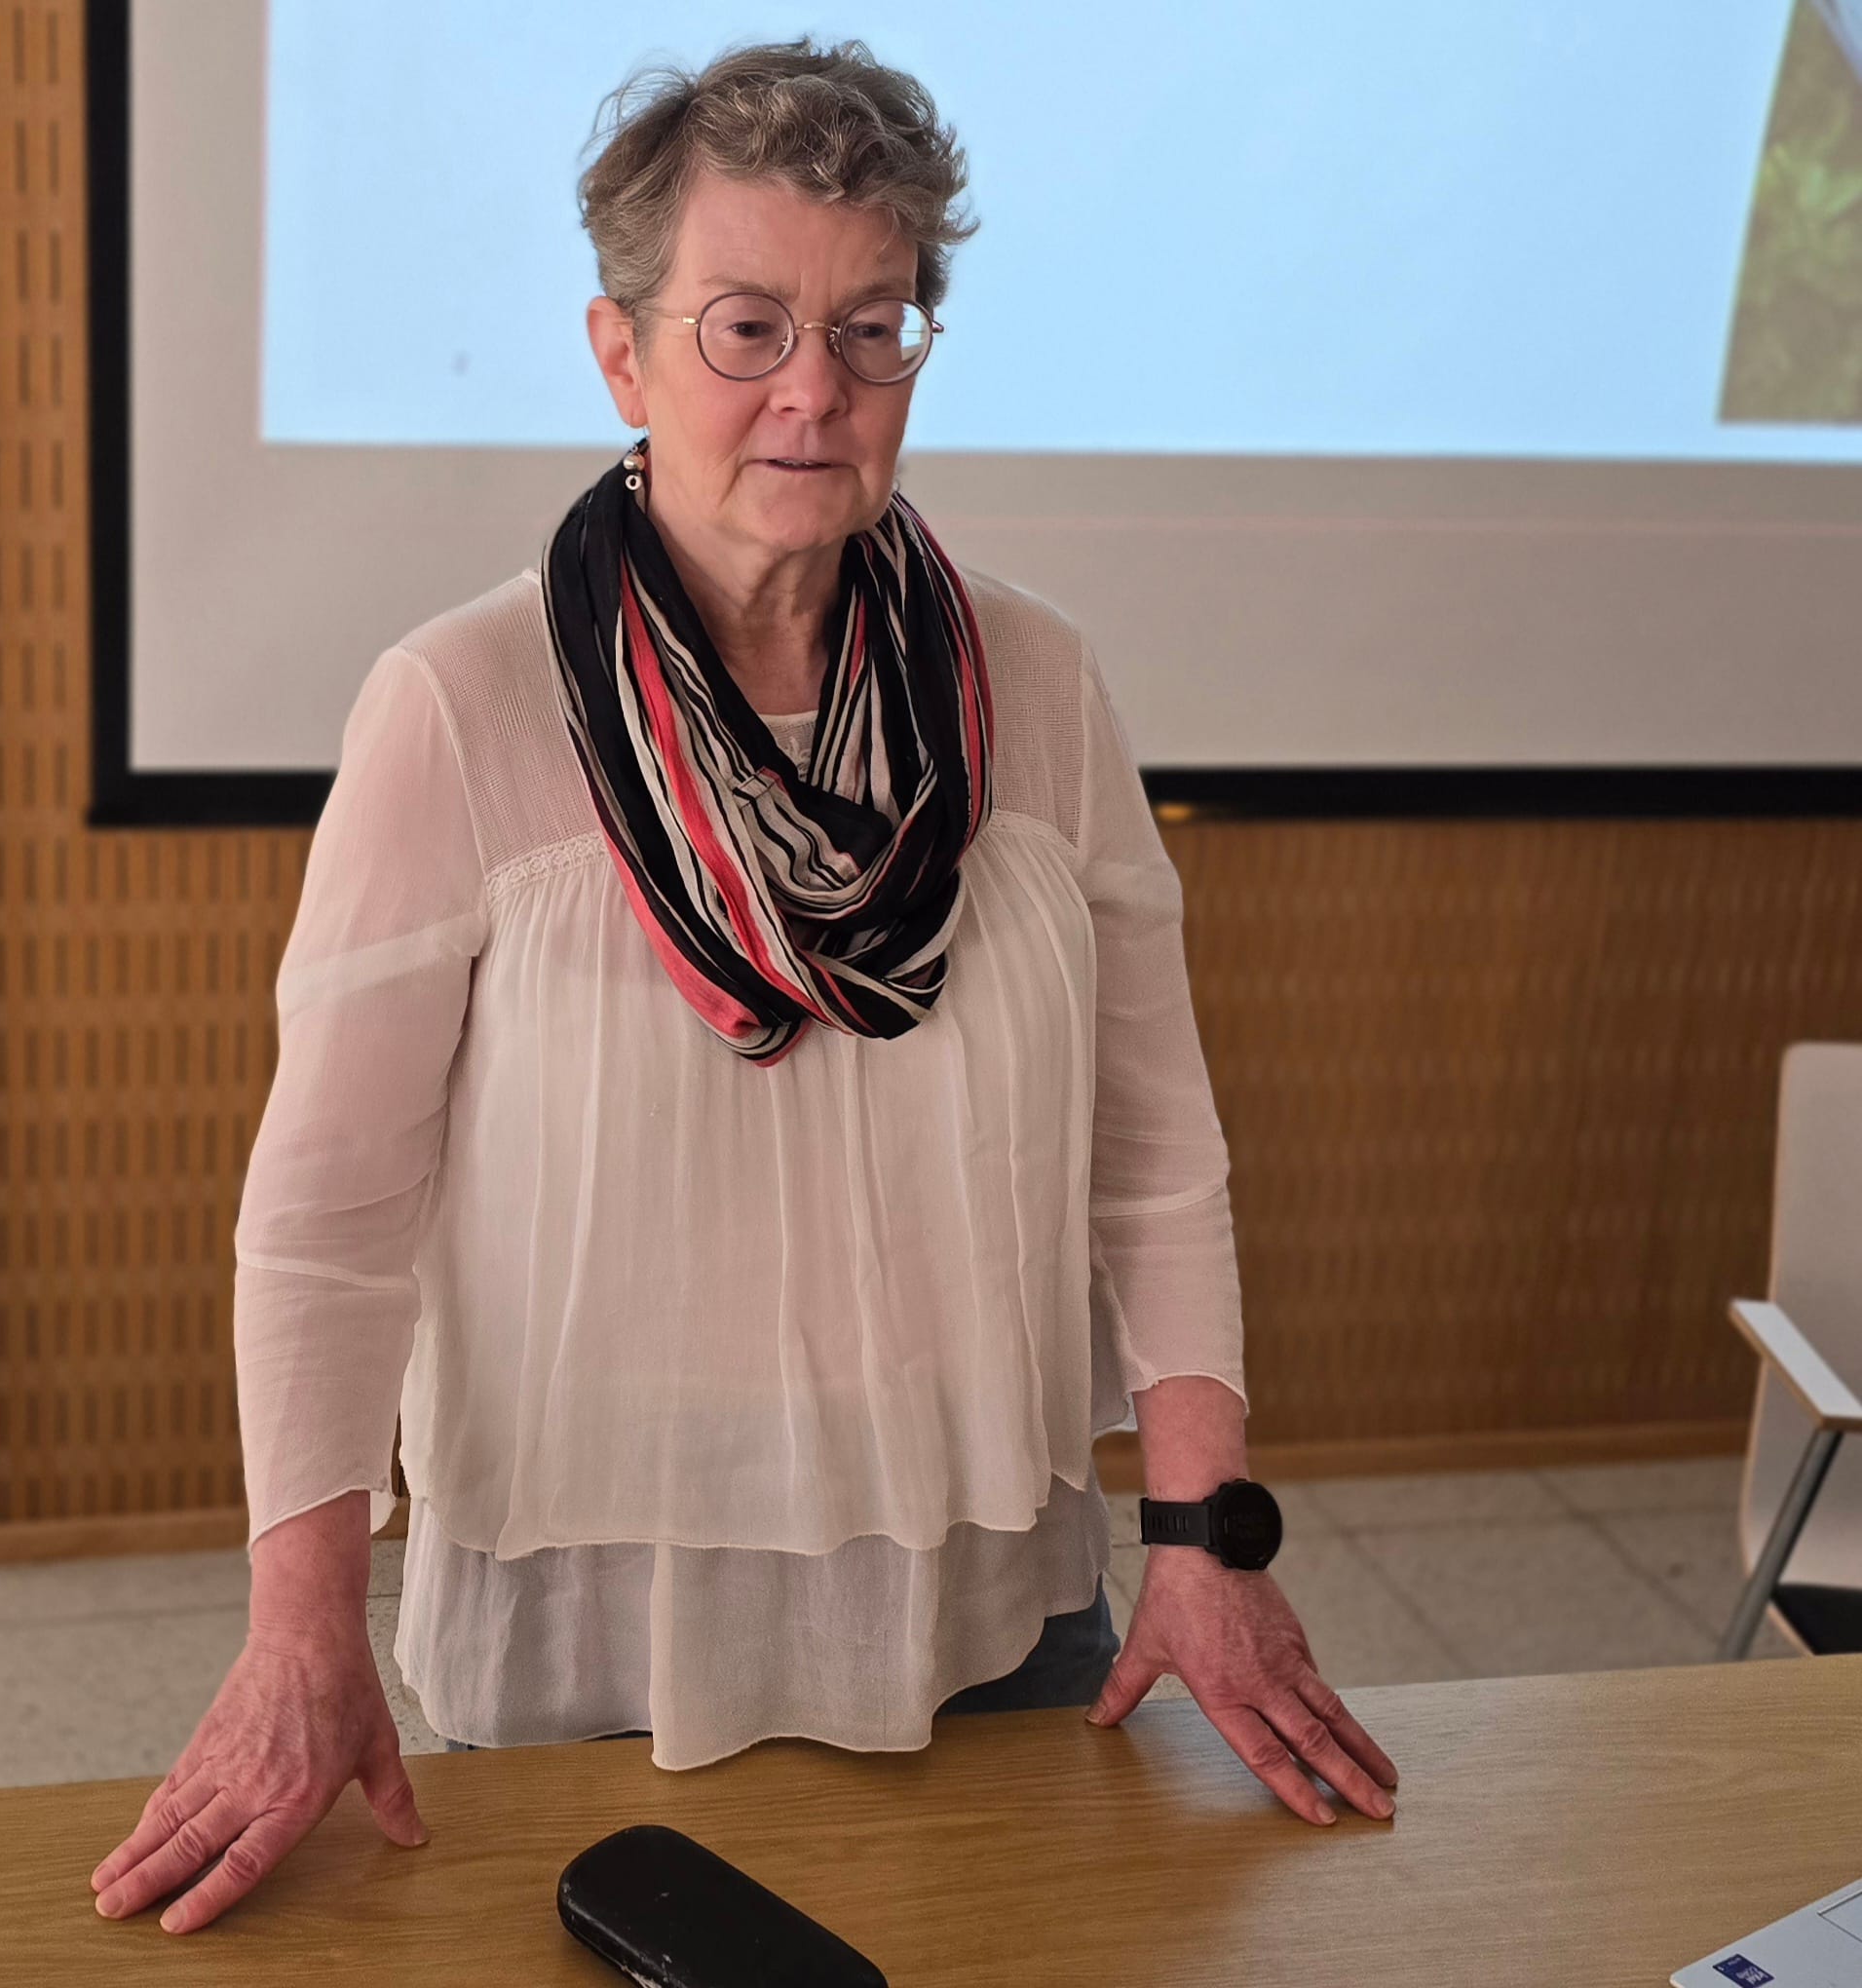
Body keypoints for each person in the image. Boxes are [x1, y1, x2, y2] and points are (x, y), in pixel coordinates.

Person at [88, 36, 1397, 1937]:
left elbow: (1154, 1156)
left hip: (988, 1593)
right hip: (605, 1615)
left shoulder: (1035, 686)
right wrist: (303, 1629)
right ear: (620, 356)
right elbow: (328, 1221)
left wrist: (1208, 1537)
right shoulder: (459, 710)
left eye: (874, 328)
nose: (816, 390)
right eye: (748, 328)